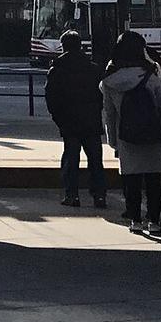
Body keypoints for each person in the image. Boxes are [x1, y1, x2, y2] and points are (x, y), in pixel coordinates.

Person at [100, 29, 161, 238]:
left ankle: (135, 220)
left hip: (126, 136)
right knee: (153, 182)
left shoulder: (110, 80)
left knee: (132, 181)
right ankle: (154, 221)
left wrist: (113, 141)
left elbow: (109, 113)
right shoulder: (150, 75)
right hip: (153, 134)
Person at [45, 30, 106, 208]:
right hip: (91, 120)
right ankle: (99, 195)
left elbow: (51, 97)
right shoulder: (93, 68)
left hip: (69, 121)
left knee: (71, 159)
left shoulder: (57, 69)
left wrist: (59, 118)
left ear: (63, 46)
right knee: (95, 160)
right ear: (80, 45)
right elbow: (101, 94)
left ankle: (72, 195)